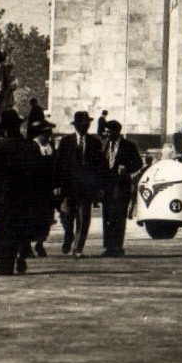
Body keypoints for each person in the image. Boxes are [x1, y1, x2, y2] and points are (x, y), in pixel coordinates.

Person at [0, 107, 43, 276]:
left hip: (2, 198)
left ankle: (5, 265)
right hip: (25, 197)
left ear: (4, 129)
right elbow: (40, 174)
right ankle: (21, 256)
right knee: (21, 229)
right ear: (17, 127)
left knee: (2, 231)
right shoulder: (30, 147)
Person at [53, 109, 107, 258]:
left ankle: (78, 248)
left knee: (84, 219)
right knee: (67, 216)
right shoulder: (65, 142)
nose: (85, 126)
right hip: (68, 187)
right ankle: (68, 236)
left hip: (86, 188)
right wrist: (56, 185)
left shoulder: (95, 142)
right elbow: (58, 164)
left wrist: (100, 187)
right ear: (75, 125)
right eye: (82, 123)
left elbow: (100, 166)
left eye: (87, 123)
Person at [100, 120, 144, 257]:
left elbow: (138, 163)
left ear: (116, 132)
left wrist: (127, 168)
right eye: (105, 132)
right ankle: (108, 246)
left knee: (119, 216)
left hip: (121, 186)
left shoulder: (129, 146)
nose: (106, 134)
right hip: (107, 186)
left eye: (108, 132)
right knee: (107, 215)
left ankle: (117, 246)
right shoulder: (104, 145)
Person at [28, 121, 58, 255]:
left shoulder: (50, 147)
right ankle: (27, 245)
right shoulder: (30, 146)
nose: (49, 135)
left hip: (47, 189)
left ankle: (40, 242)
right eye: (46, 132)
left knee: (46, 218)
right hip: (33, 189)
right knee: (32, 218)